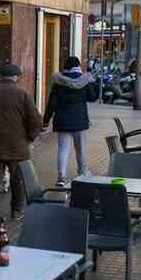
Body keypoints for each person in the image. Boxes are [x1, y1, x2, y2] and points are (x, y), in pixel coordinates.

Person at [0, 64, 43, 229]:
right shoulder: (23, 94)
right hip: (18, 148)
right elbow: (36, 121)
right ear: (16, 77)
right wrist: (29, 138)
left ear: (0, 76)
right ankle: (17, 211)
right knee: (17, 181)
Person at [43, 56, 98, 187]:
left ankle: (61, 177)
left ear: (65, 66)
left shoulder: (58, 81)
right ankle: (82, 173)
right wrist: (91, 82)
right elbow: (92, 97)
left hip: (62, 121)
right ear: (78, 66)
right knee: (81, 149)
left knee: (63, 150)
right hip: (80, 121)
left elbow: (52, 103)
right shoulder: (84, 80)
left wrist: (45, 120)